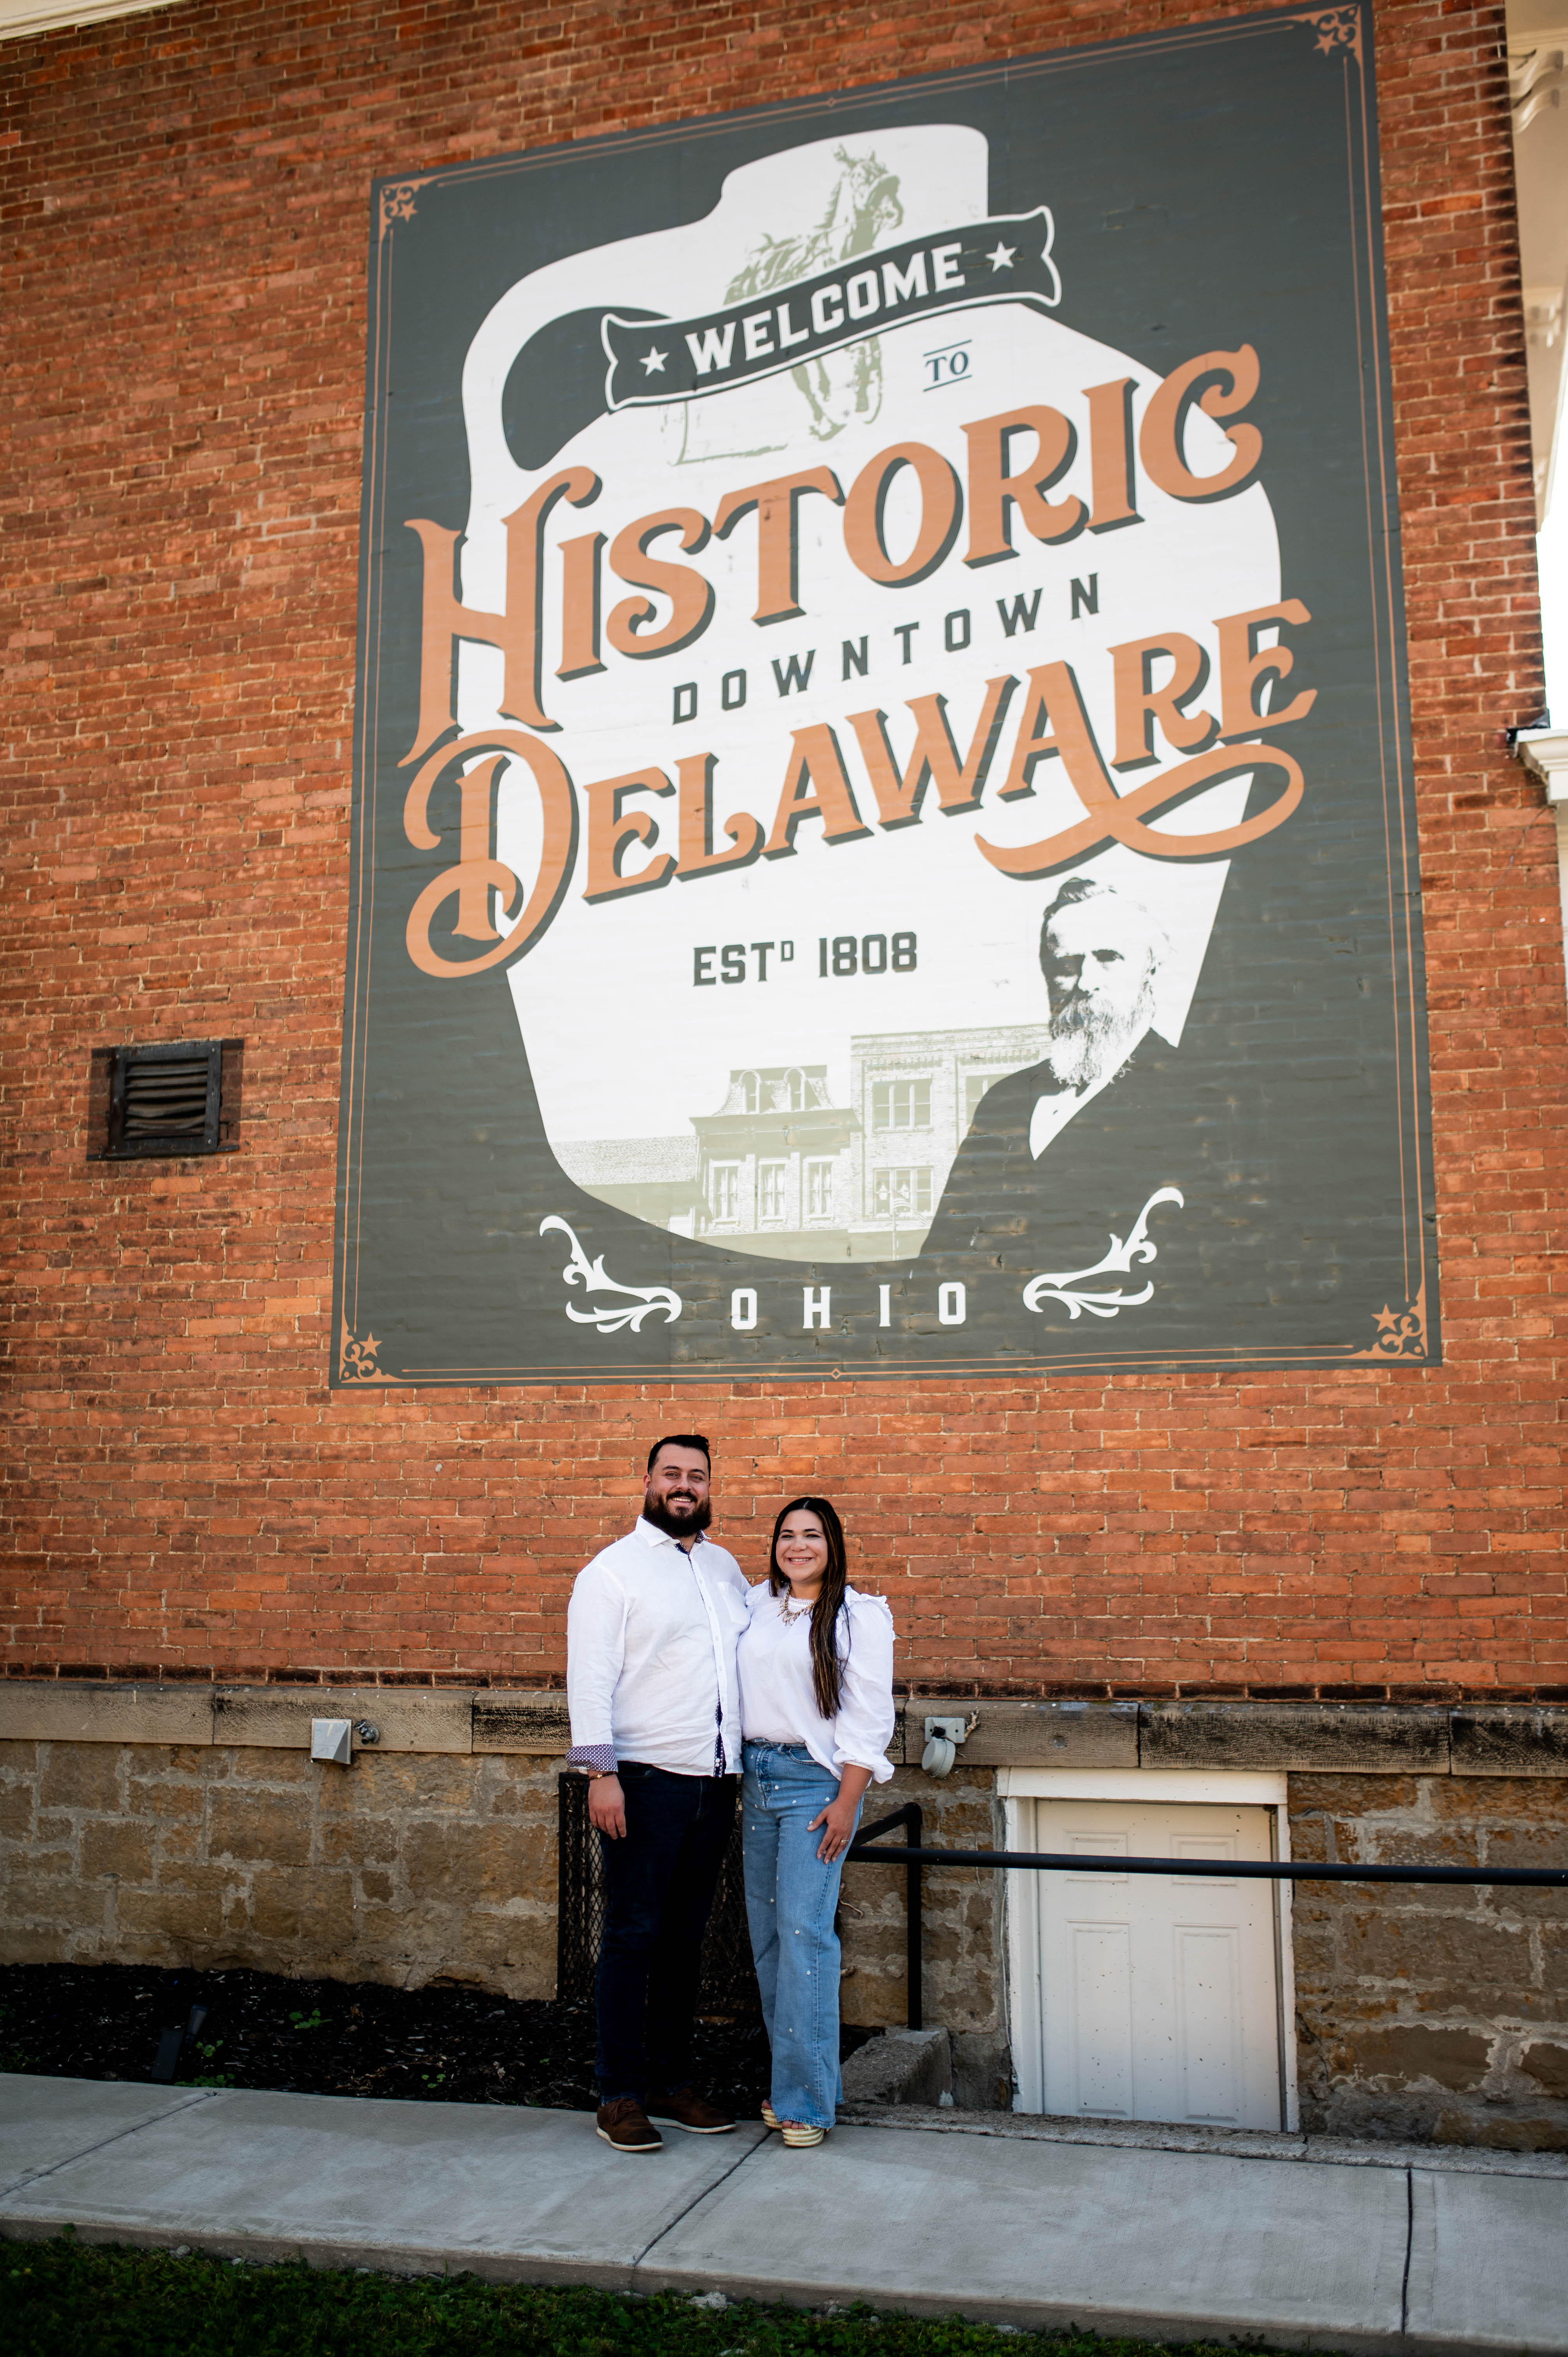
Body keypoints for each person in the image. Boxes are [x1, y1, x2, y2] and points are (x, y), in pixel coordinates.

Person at [566, 1433, 750, 2154]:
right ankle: (619, 2093)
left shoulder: (724, 1566)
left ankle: (671, 2080)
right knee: (632, 1936)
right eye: (671, 1473)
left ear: (708, 1487)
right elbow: (590, 1676)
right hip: (643, 1781)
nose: (683, 1485)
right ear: (646, 1480)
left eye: (696, 1476)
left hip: (715, 1782)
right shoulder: (610, 1573)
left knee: (684, 1939)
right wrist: (600, 1773)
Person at [920, 872, 1178, 1274]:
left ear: (1150, 969)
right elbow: (941, 1253)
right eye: (1066, 964)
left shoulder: (1188, 1091)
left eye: (1108, 958)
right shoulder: (1006, 1101)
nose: (1086, 982)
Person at [738, 1495, 895, 2147]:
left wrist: (846, 1800)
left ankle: (805, 2103)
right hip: (755, 1781)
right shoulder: (755, 1604)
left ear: (832, 1545)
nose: (797, 1545)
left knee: (805, 1936)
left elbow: (867, 1716)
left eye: (811, 1535)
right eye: (786, 1534)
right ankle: (798, 2085)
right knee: (769, 1940)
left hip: (814, 1786)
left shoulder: (858, 1615)